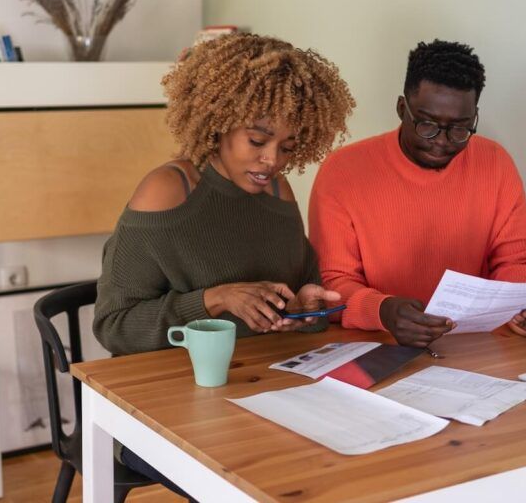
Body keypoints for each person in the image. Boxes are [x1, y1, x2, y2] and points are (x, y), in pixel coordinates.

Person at [92, 33, 355, 499]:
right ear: (217, 123)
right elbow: (114, 327)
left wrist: (303, 309)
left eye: (289, 147)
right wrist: (214, 299)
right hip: (168, 409)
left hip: (261, 396)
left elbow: (299, 296)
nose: (272, 160)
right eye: (257, 140)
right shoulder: (167, 192)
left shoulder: (278, 195)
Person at [308, 39, 526, 348]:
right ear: (402, 109)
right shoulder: (343, 171)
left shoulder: (494, 162)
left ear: (474, 116)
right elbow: (330, 283)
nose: (441, 142)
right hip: (374, 347)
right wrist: (382, 310)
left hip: (474, 349)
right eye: (427, 125)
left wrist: (525, 308)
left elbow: (522, 258)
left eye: (460, 129)